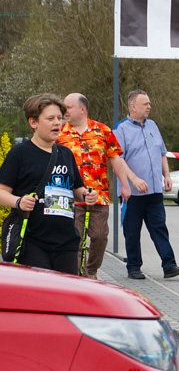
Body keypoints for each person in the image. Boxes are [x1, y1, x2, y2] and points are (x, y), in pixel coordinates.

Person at [0, 93, 98, 273]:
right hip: (33, 241)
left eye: (60, 118)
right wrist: (18, 202)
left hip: (67, 242)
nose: (57, 123)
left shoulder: (65, 153)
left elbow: (76, 188)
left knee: (66, 297)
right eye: (50, 118)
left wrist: (86, 194)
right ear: (33, 123)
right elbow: (1, 191)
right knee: (41, 298)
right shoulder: (19, 154)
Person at [58, 93, 147, 278]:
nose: (64, 110)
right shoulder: (59, 133)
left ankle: (92, 270)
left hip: (98, 195)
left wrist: (125, 185)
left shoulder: (103, 131)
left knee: (99, 236)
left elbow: (115, 158)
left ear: (82, 109)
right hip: (69, 198)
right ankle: (77, 275)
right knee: (75, 239)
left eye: (68, 107)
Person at [113, 90, 179, 280]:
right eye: (145, 103)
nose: (149, 106)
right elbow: (117, 160)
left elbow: (162, 152)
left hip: (154, 190)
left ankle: (169, 265)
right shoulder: (120, 130)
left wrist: (167, 175)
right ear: (133, 106)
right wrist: (134, 179)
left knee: (159, 227)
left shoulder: (153, 125)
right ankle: (134, 267)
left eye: (149, 103)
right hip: (133, 193)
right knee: (132, 230)